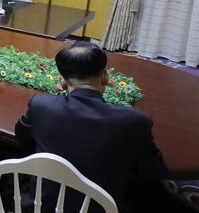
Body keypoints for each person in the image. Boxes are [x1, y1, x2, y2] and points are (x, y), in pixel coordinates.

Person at [14, 41, 169, 213]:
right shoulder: (135, 121)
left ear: (62, 82)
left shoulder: (41, 105)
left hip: (39, 207)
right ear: (106, 77)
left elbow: (22, 138)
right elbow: (154, 171)